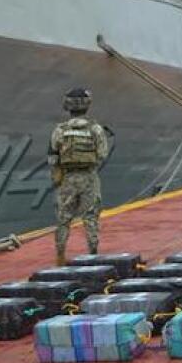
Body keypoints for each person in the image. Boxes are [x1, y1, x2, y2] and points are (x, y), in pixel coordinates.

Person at [48, 87, 110, 265]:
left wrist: (57, 175)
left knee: (63, 218)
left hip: (67, 178)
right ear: (87, 105)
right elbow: (102, 154)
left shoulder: (60, 130)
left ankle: (60, 256)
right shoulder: (95, 129)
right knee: (90, 217)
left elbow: (53, 155)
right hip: (89, 177)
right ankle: (92, 254)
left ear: (68, 106)